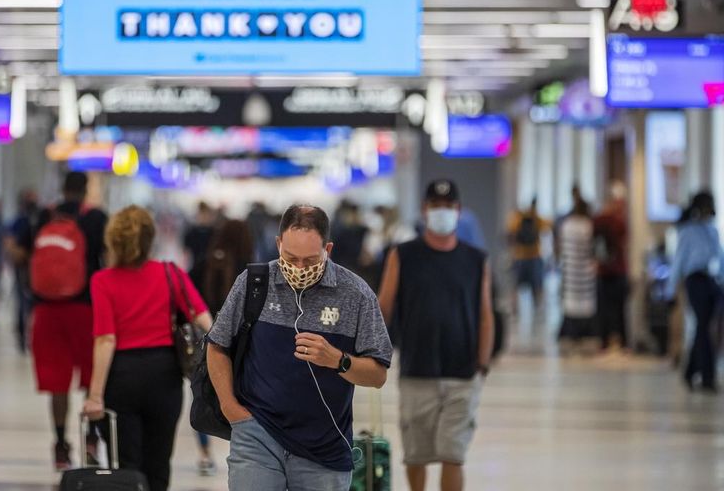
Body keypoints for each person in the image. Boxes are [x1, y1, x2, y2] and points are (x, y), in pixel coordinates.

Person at [206, 205, 392, 491]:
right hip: (257, 434)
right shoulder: (254, 283)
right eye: (291, 258)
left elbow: (378, 374)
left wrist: (339, 360)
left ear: (327, 248)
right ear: (279, 243)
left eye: (310, 259)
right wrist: (231, 408)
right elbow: (217, 345)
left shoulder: (356, 294)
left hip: (324, 448)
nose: (300, 268)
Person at [83, 206, 211, 491]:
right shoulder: (170, 273)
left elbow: (105, 340)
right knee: (159, 461)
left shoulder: (102, 281)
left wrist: (94, 396)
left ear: (113, 240)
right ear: (150, 238)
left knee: (127, 463)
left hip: (121, 377)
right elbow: (206, 321)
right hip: (164, 376)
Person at [377, 180, 493, 491]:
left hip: (463, 373)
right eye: (435, 206)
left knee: (453, 454)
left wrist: (482, 365)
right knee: (417, 456)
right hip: (417, 369)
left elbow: (485, 314)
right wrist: (371, 356)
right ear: (425, 211)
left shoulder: (476, 259)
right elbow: (382, 310)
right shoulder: (402, 255)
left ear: (458, 211)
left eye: (448, 207)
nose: (442, 212)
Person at [17, 172, 108, 470]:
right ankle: (92, 439)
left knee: (58, 382)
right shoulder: (96, 219)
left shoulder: (44, 215)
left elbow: (20, 253)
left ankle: (59, 445)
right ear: (84, 190)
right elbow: (108, 260)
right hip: (85, 309)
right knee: (91, 379)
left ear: (62, 189)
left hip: (46, 311)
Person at [193, 218, 254, 476]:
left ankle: (206, 454)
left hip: (206, 342)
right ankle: (241, 450)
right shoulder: (252, 272)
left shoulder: (202, 264)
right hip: (242, 349)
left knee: (203, 395)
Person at [667, 191, 724, 393]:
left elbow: (720, 257)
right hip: (694, 281)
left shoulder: (712, 231)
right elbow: (679, 262)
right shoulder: (687, 231)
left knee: (707, 328)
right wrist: (670, 291)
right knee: (702, 326)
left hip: (711, 280)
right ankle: (706, 376)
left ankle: (691, 371)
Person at [557, 199, 598, 355]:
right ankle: (585, 339)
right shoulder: (588, 226)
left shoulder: (566, 225)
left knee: (570, 307)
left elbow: (561, 248)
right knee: (585, 308)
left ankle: (569, 338)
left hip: (570, 271)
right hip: (585, 273)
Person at [594, 182, 630, 352]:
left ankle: (611, 341)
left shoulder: (601, 220)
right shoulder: (615, 221)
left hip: (611, 270)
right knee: (613, 309)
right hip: (612, 271)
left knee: (611, 309)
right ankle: (614, 340)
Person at [5, 189, 40, 353]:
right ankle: (23, 336)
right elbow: (10, 244)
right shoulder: (20, 221)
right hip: (24, 268)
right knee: (23, 303)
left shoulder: (38, 219)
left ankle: (30, 336)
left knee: (30, 304)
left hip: (35, 268)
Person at [507, 197, 551, 310]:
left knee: (516, 286)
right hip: (533, 256)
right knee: (536, 286)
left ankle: (515, 308)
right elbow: (549, 225)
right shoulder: (536, 218)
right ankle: (538, 309)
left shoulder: (517, 218)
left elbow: (510, 235)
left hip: (520, 256)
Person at [183, 201, 217, 274]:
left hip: (209, 269)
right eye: (202, 214)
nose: (204, 217)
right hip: (195, 268)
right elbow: (187, 253)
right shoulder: (191, 233)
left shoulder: (214, 233)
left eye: (206, 215)